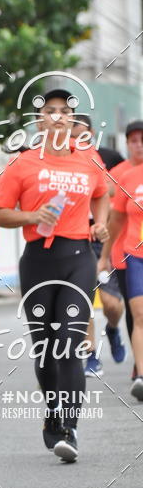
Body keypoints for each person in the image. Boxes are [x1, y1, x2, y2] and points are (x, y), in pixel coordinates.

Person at [0, 89, 109, 462]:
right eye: (50, 111)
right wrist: (32, 217)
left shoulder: (89, 160)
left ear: (73, 122)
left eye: (65, 112)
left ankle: (71, 428)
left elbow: (102, 194)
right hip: (38, 261)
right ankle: (53, 414)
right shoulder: (23, 163)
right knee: (46, 349)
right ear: (40, 121)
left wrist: (100, 223)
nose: (58, 117)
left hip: (79, 258)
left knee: (71, 344)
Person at [69, 113, 125, 376]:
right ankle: (91, 355)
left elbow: (119, 187)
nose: (75, 139)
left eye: (80, 134)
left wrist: (98, 182)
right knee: (84, 299)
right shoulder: (62, 160)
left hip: (105, 236)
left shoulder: (107, 157)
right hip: (77, 235)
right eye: (70, 134)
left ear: (90, 133)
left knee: (113, 304)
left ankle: (113, 329)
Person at [100, 156, 143, 402]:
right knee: (138, 313)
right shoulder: (128, 176)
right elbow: (115, 221)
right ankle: (141, 375)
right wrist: (104, 255)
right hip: (135, 254)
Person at [105, 121, 143, 377]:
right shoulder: (120, 174)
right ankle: (138, 366)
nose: (138, 145)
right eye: (133, 141)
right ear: (127, 144)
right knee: (135, 310)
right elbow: (112, 212)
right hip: (125, 250)